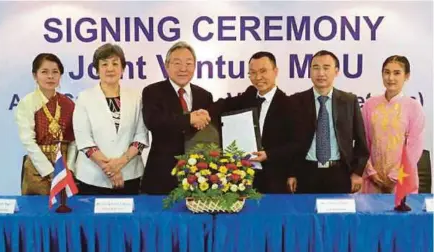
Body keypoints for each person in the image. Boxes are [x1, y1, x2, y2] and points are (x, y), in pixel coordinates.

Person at [209, 51, 293, 193]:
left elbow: (296, 144)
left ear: (275, 71)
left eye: (263, 71)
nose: (258, 77)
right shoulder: (249, 95)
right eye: (252, 73)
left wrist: (268, 154)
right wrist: (204, 113)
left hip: (274, 178)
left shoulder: (289, 104)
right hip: (243, 178)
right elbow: (223, 105)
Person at [287, 50, 369, 193]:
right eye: (316, 68)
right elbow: (289, 142)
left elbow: (361, 142)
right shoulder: (296, 101)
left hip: (340, 174)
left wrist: (357, 172)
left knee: (338, 215)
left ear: (336, 71)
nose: (321, 73)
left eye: (326, 68)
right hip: (306, 173)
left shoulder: (349, 101)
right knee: (305, 214)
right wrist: (291, 173)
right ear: (310, 71)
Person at [73, 43, 149, 195]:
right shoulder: (84, 98)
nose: (110, 68)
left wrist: (119, 164)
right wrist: (111, 170)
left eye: (115, 63)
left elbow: (141, 136)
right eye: (104, 64)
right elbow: (84, 140)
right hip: (92, 177)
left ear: (122, 69)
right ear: (97, 69)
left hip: (130, 175)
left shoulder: (136, 97)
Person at [141, 41, 213, 194]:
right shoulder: (152, 92)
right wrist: (189, 119)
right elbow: (153, 122)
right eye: (177, 63)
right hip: (162, 176)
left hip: (198, 177)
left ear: (194, 67)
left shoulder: (204, 96)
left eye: (188, 63)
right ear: (166, 66)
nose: (183, 69)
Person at [361, 55, 425, 193]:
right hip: (373, 179)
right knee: (370, 214)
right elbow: (363, 141)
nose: (391, 78)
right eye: (387, 72)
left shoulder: (414, 107)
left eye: (397, 73)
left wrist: (395, 176)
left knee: (401, 213)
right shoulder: (369, 105)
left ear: (406, 76)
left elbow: (414, 147)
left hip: (402, 179)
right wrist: (371, 172)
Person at [15, 53, 76, 195]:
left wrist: (70, 169)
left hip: (64, 166)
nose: (50, 76)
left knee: (66, 212)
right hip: (37, 170)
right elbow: (28, 141)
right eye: (44, 72)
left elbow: (74, 141)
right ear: (35, 76)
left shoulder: (68, 104)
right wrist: (48, 171)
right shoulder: (27, 103)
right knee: (37, 212)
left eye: (55, 72)